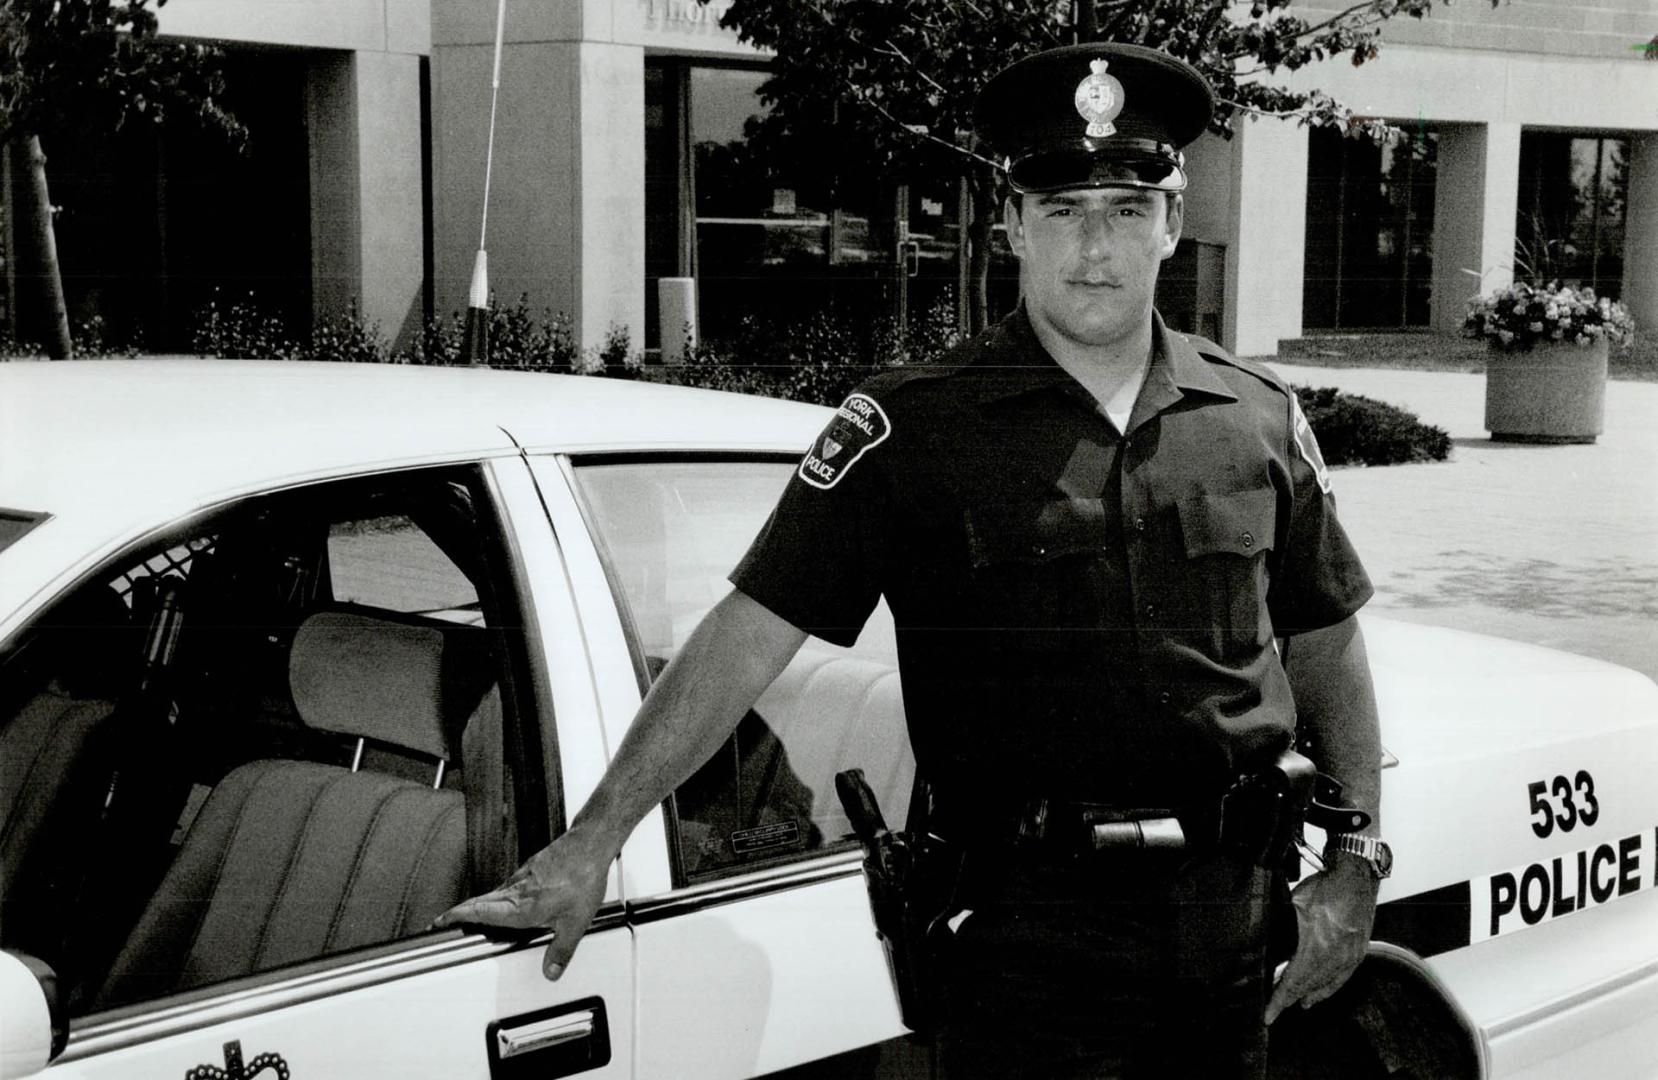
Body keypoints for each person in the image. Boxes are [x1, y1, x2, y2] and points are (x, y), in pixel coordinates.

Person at [438, 41, 1389, 1079]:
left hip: (1230, 927)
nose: (1093, 249)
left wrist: (1353, 865)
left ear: (1171, 218)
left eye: (1123, 208)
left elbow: (1324, 649)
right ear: (1012, 223)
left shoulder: (1255, 420)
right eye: (1062, 211)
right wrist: (591, 841)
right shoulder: (908, 428)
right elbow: (744, 639)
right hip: (1020, 943)